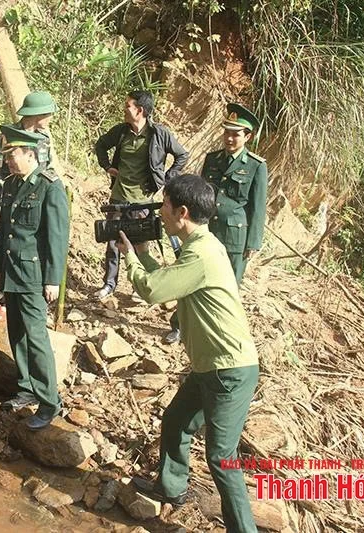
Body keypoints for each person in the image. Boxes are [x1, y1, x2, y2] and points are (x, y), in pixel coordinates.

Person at [117, 174, 259, 533]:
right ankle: (171, 487)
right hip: (211, 367)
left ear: (182, 212)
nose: (160, 212)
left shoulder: (202, 253)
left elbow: (153, 290)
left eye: (164, 205)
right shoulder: (201, 246)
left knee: (221, 457)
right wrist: (144, 253)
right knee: (177, 421)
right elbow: (171, 281)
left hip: (229, 370)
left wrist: (131, 257)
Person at [0, 125, 69, 430]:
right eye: (7, 155)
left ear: (30, 154)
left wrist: (53, 280)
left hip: (33, 275)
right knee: (17, 333)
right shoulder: (11, 185)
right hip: (11, 271)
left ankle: (50, 402)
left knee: (36, 338)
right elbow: (5, 232)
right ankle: (26, 388)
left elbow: (57, 238)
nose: (8, 161)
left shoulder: (49, 186)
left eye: (13, 155)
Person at [93, 89, 189, 301]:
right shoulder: (121, 132)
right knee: (113, 242)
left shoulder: (159, 134)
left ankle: (140, 287)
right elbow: (101, 145)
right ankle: (109, 284)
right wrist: (107, 166)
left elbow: (182, 155)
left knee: (140, 244)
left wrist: (167, 177)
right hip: (118, 197)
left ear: (140, 110)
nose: (124, 109)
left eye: (128, 105)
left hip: (143, 200)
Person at [203, 102, 268, 284]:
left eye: (235, 134)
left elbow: (258, 208)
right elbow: (202, 196)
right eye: (226, 133)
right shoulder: (212, 159)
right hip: (209, 231)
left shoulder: (256, 165)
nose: (229, 138)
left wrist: (253, 242)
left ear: (247, 136)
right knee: (204, 281)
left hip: (235, 238)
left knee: (229, 285)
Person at [0, 91, 59, 224]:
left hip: (34, 206)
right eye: (49, 114)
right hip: (8, 203)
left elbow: (48, 171)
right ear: (38, 115)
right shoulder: (6, 137)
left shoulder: (44, 139)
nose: (51, 118)